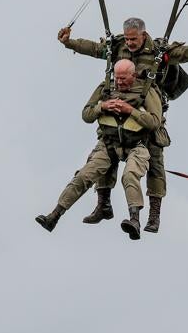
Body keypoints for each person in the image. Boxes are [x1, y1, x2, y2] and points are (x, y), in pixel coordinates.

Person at [57, 17, 188, 233]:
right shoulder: (118, 47)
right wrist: (69, 42)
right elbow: (95, 49)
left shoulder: (158, 50)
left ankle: (154, 216)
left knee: (155, 162)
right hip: (117, 110)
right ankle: (103, 205)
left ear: (143, 34)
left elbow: (184, 53)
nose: (130, 43)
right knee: (106, 149)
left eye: (133, 39)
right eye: (127, 38)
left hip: (147, 110)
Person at [36, 59, 163, 240]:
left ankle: (135, 219)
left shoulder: (147, 91)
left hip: (137, 145)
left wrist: (130, 110)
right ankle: (54, 216)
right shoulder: (105, 88)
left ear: (133, 76)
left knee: (130, 175)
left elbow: (154, 123)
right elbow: (86, 114)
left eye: (123, 78)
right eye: (117, 78)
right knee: (83, 176)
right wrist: (102, 107)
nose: (119, 82)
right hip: (109, 143)